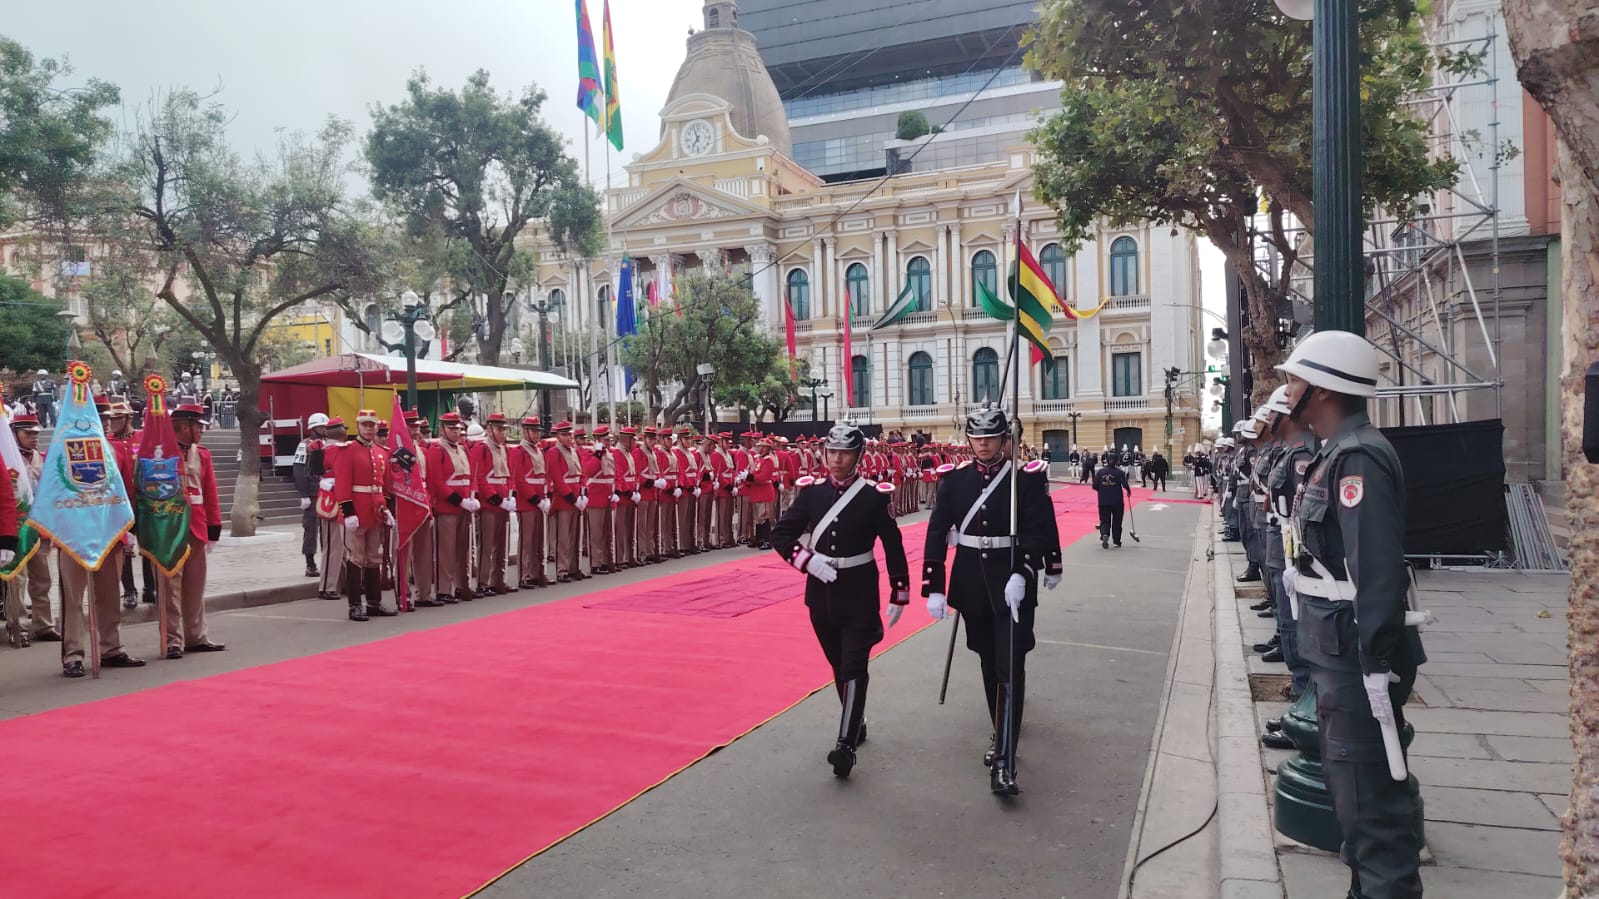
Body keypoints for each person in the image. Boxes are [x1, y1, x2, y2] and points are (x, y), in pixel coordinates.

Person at [1279, 331, 1426, 899]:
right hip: (1339, 653)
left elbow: (1378, 571)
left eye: (1295, 379)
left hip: (1357, 657)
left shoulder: (1357, 455)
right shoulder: (1337, 451)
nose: (1287, 389)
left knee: (1373, 813)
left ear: (1321, 389)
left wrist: (1375, 658)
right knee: (1353, 802)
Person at [921, 408, 1063, 795]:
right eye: (977, 438)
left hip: (1012, 581)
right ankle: (1001, 727)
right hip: (971, 583)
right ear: (969, 440)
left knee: (1010, 664)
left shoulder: (1025, 481)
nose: (983, 444)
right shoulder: (955, 481)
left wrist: (1027, 570)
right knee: (987, 660)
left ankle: (1004, 759)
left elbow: (1038, 528)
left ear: (1005, 439)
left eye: (990, 437)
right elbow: (937, 531)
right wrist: (932, 584)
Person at [770, 424, 909, 779]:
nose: (836, 459)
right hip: (821, 595)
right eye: (831, 452)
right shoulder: (812, 495)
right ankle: (856, 720)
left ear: (857, 456)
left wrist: (899, 590)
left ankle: (845, 745)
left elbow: (892, 545)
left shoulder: (874, 497)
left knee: (853, 666)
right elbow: (781, 534)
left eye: (844, 453)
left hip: (859, 592)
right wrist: (806, 560)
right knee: (837, 664)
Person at [160, 404, 226, 658]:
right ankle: (172, 639)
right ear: (185, 427)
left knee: (195, 585)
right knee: (170, 588)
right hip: (170, 527)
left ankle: (196, 635)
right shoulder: (161, 452)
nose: (202, 431)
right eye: (199, 426)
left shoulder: (203, 455)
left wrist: (214, 528)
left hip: (197, 526)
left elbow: (210, 492)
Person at [334, 409, 395, 621]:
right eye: (365, 425)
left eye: (372, 425)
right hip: (356, 513)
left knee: (373, 558)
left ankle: (373, 602)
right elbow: (342, 483)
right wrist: (348, 511)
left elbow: (383, 487)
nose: (369, 428)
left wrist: (386, 508)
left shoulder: (380, 451)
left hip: (374, 512)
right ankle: (354, 605)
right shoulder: (348, 450)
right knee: (355, 558)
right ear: (358, 426)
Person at [10, 414, 56, 642]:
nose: (34, 437)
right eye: (28, 433)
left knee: (42, 578)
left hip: (39, 526)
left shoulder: (42, 457)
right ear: (15, 434)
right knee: (17, 579)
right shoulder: (8, 458)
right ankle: (17, 626)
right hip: (17, 525)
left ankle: (44, 624)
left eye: (36, 433)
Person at [427, 412, 480, 602]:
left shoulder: (462, 449)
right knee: (446, 551)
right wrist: (459, 500)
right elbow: (438, 483)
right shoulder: (437, 450)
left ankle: (461, 585)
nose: (457, 432)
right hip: (448, 506)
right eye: (452, 428)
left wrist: (473, 497)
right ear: (442, 429)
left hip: (464, 505)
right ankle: (443, 589)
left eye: (459, 429)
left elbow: (470, 476)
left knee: (462, 550)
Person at [473, 413, 516, 595]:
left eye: (504, 430)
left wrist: (511, 496)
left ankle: (499, 579)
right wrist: (495, 499)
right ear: (489, 429)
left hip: (504, 500)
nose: (502, 433)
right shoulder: (481, 449)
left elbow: (510, 475)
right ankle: (483, 582)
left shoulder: (504, 449)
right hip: (490, 504)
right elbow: (480, 478)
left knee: (502, 544)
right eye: (499, 429)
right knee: (487, 544)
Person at [544, 421, 587, 583]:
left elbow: (582, 473)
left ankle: (575, 567)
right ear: (558, 436)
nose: (568, 438)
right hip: (564, 499)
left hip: (577, 496)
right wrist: (572, 498)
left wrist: (584, 492)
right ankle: (562, 569)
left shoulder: (575, 451)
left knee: (576, 535)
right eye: (564, 435)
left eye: (569, 434)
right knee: (564, 537)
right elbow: (557, 479)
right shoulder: (554, 453)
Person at [511, 416, 551, 589]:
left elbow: (544, 476)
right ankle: (525, 574)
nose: (537, 435)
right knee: (527, 541)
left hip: (540, 499)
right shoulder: (519, 451)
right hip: (527, 501)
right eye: (533, 431)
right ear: (525, 431)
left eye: (538, 431)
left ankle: (537, 572)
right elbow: (520, 480)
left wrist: (546, 496)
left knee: (538, 540)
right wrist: (535, 499)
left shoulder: (538, 451)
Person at [312, 417, 348, 600]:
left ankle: (341, 583)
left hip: (333, 497)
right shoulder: (337, 450)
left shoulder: (324, 449)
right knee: (334, 545)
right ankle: (327, 586)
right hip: (334, 499)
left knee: (339, 545)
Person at [293, 413, 330, 579]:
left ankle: (328, 560)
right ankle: (310, 563)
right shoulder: (304, 445)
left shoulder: (329, 444)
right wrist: (304, 494)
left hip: (328, 492)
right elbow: (299, 470)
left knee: (328, 530)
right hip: (313, 492)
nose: (325, 430)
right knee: (310, 530)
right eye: (322, 427)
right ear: (313, 428)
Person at [1093, 456, 1133, 548]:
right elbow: (1125, 484)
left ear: (1106, 461)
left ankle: (1104, 534)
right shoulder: (1119, 472)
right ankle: (1116, 541)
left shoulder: (1100, 472)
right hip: (1117, 501)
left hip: (1103, 501)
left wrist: (1102, 490)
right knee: (1117, 521)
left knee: (1104, 520)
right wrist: (1128, 491)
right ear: (1116, 462)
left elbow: (1094, 486)